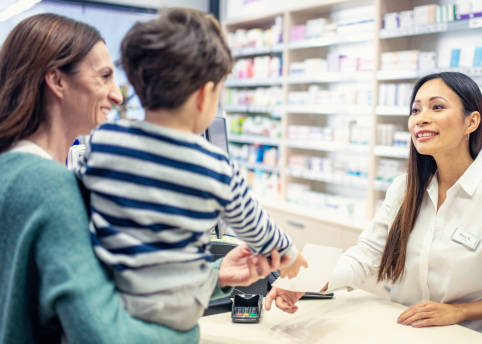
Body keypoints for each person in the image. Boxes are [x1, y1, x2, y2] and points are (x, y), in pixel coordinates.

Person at [0, 13, 282, 343]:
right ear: (57, 81)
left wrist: (215, 275)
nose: (118, 96)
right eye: (103, 77)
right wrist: (188, 332)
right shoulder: (50, 188)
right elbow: (102, 336)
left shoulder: (14, 171)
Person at [266, 72, 482, 340]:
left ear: (472, 121)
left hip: (470, 338)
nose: (421, 118)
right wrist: (305, 281)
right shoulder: (405, 189)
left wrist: (460, 312)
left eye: (437, 107)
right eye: (416, 110)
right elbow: (367, 255)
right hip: (407, 334)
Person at [73, 8, 308, 331]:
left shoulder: (104, 141)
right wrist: (290, 256)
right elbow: (257, 228)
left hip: (112, 308)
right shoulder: (215, 167)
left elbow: (82, 197)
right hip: (176, 318)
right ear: (203, 95)